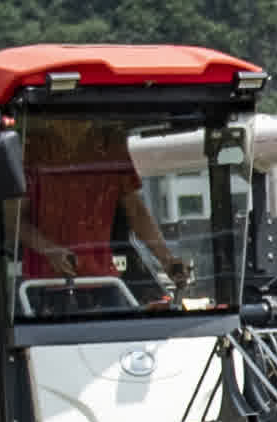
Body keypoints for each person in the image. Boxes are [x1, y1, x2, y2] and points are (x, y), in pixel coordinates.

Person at [13, 114, 186, 305]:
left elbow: (136, 212)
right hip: (44, 285)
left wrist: (167, 260)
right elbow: (14, 220)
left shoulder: (112, 145)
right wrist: (50, 250)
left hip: (103, 281)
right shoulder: (32, 147)